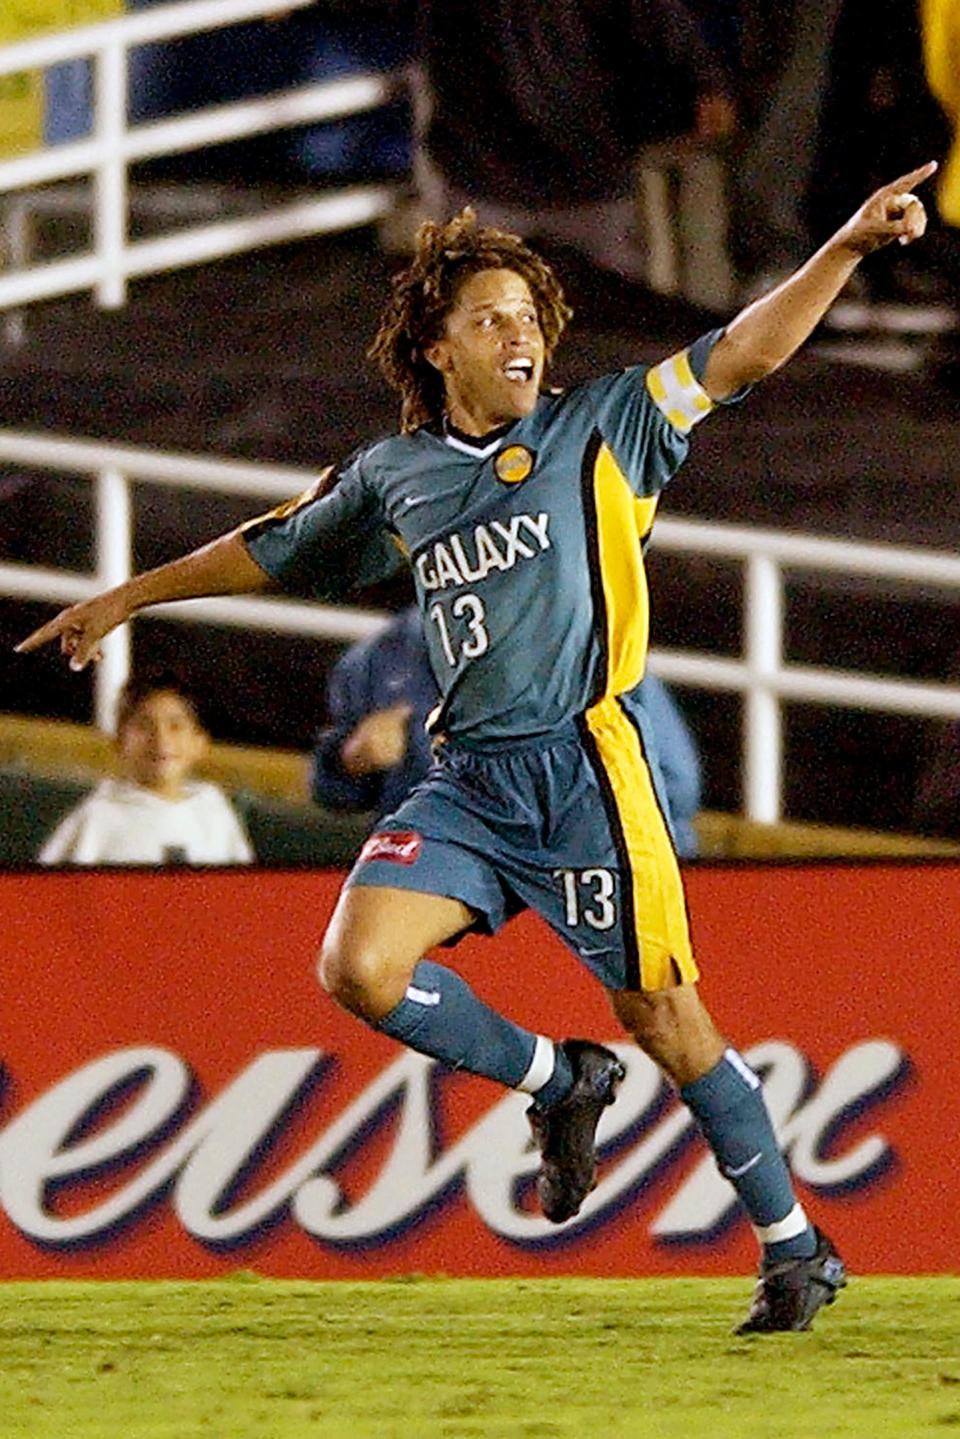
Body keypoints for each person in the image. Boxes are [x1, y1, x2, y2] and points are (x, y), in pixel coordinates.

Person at [16, 160, 935, 1331]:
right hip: (466, 785)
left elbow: (743, 352)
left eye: (528, 317)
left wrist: (847, 244)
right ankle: (561, 1078)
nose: (519, 334)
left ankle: (794, 1244)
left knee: (669, 1017)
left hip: (586, 772)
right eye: (489, 317)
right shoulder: (395, 475)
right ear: (438, 349)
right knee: (356, 969)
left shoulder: (605, 428)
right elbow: (275, 543)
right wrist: (130, 596)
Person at [312, 603, 703, 855]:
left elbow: (675, 789)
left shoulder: (584, 649)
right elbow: (332, 791)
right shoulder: (380, 658)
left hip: (569, 868)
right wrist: (351, 759)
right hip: (435, 873)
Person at [412, 0, 735, 287]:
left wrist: (704, 85)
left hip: (584, 182)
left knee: (608, 326)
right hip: (492, 178)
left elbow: (669, 33)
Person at [38, 672, 254, 866]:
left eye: (175, 726)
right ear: (120, 742)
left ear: (200, 743)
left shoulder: (213, 811)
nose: (160, 739)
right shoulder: (96, 820)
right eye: (143, 725)